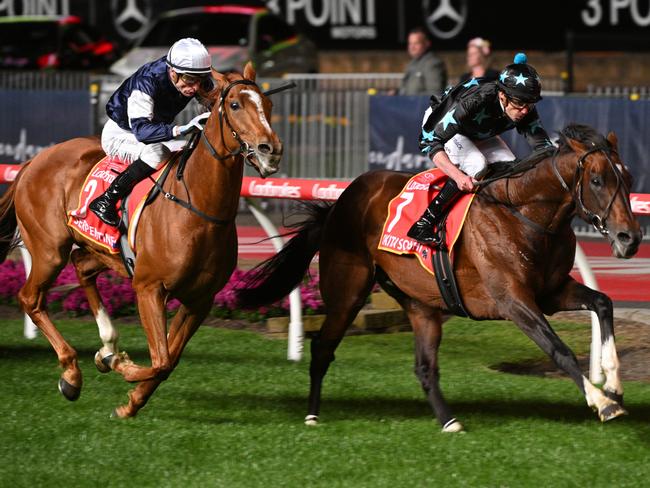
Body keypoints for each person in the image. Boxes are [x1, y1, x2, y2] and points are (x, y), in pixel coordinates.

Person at [407, 53, 554, 246]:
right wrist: (459, 177)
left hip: (477, 131)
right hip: (442, 125)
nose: (525, 111)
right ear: (502, 96)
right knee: (476, 164)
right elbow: (429, 141)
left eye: (530, 104)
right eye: (519, 104)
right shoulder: (476, 100)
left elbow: (544, 148)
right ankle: (424, 223)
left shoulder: (523, 106)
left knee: (510, 167)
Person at [89, 37, 214, 227]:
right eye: (190, 80)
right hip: (122, 133)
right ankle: (106, 200)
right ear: (173, 71)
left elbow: (214, 92)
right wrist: (183, 128)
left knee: (188, 149)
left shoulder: (190, 73)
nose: (195, 87)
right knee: (158, 153)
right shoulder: (147, 82)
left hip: (146, 131)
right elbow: (142, 133)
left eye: (200, 80)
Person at [397, 27, 447, 97]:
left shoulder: (433, 64)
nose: (412, 47)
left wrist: (411, 98)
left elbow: (435, 94)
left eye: (416, 43)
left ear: (427, 44)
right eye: (410, 43)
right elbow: (406, 90)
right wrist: (395, 93)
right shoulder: (411, 64)